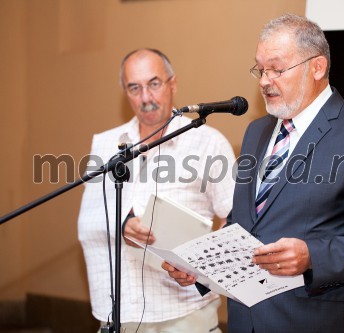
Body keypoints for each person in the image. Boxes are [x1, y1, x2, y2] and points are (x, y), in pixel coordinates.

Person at [164, 14, 344, 333]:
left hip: (318, 322)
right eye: (260, 69)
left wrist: (312, 257)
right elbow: (245, 224)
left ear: (317, 67)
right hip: (247, 321)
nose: (264, 80)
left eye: (277, 69)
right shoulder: (256, 132)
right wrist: (201, 269)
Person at [78, 48, 235, 332]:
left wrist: (202, 268)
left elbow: (234, 220)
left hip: (184, 314)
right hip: (119, 313)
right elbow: (88, 222)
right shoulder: (106, 144)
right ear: (125, 92)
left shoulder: (208, 143)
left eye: (154, 84)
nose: (146, 98)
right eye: (134, 88)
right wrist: (122, 224)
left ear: (172, 83)